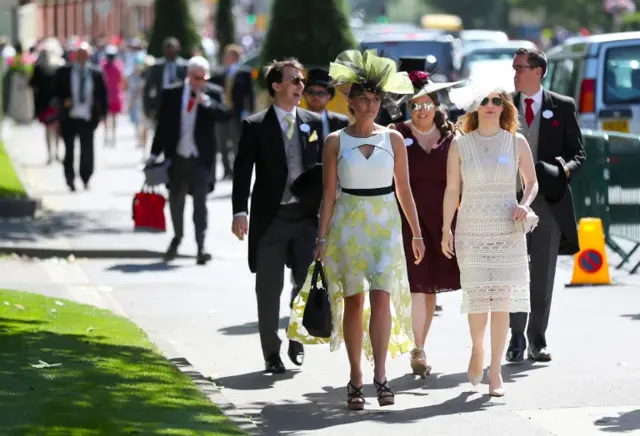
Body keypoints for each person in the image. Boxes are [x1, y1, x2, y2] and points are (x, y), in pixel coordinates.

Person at [287, 49, 424, 410]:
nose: (371, 105)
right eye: (364, 99)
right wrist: (320, 237)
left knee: (382, 296)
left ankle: (381, 375)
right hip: (348, 224)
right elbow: (329, 195)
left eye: (376, 99)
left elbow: (404, 189)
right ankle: (355, 377)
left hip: (385, 223)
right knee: (353, 301)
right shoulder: (335, 141)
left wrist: (417, 232)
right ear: (351, 102)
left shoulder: (393, 138)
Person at [444, 79, 538, 397]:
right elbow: (452, 190)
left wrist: (524, 205)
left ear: (504, 106)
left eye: (496, 100)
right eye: (484, 100)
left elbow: (531, 182)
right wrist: (446, 228)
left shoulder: (516, 143)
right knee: (477, 298)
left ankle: (495, 371)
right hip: (470, 228)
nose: (490, 105)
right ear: (474, 104)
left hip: (507, 229)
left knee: (501, 301)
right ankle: (477, 349)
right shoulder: (460, 144)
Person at [231, 58, 324, 374]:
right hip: (270, 219)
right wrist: (239, 212)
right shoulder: (255, 126)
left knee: (304, 283)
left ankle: (296, 336)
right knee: (268, 289)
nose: (301, 86)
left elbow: (323, 169)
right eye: (295, 80)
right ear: (276, 85)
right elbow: (242, 173)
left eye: (302, 80)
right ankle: (271, 353)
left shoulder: (313, 122)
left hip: (305, 217)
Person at [507, 48, 585, 363]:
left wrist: (563, 170)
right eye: (513, 68)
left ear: (538, 71)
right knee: (514, 271)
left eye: (520, 68)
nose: (515, 73)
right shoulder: (503, 106)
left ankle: (537, 339)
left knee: (542, 272)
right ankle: (515, 336)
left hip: (548, 202)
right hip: (510, 202)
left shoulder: (562, 107)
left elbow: (579, 153)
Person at [389, 70, 461, 377]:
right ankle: (417, 349)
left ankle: (419, 345)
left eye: (427, 103)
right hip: (406, 221)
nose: (421, 110)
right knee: (416, 286)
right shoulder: (395, 132)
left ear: (437, 105)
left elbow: (460, 185)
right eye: (415, 104)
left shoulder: (452, 138)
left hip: (443, 221)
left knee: (429, 288)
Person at [148, 56, 230, 265]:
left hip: (201, 160)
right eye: (196, 77)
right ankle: (177, 237)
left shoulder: (213, 93)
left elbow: (225, 115)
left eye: (203, 78)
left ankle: (201, 245)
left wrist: (208, 104)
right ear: (188, 75)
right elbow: (163, 126)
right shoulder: (172, 93)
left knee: (200, 204)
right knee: (176, 201)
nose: (200, 82)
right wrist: (153, 154)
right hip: (177, 158)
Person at [52, 41, 108, 192]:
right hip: (69, 116)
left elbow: (103, 96)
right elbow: (56, 92)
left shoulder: (96, 73)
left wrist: (102, 114)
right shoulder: (65, 72)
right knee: (69, 149)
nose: (82, 57)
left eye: (85, 54)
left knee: (87, 150)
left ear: (89, 56)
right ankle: (69, 178)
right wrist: (64, 101)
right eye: (80, 54)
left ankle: (85, 177)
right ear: (75, 56)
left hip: (88, 117)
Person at [210, 44, 255, 180]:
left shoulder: (245, 73)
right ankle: (226, 170)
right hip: (222, 113)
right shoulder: (221, 74)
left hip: (237, 113)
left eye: (228, 55)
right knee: (222, 142)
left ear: (234, 57)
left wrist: (248, 112)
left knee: (237, 143)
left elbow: (250, 95)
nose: (225, 58)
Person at [30, 38, 65, 164]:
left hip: (48, 102)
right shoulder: (43, 68)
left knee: (51, 128)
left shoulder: (55, 67)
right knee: (53, 128)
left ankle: (53, 153)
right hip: (49, 102)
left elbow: (33, 86)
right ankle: (53, 153)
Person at [143, 37, 187, 124]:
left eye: (173, 48)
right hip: (160, 106)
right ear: (164, 50)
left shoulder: (185, 66)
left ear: (178, 49)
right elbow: (148, 87)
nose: (170, 52)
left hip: (179, 107)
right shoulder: (157, 67)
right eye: (168, 48)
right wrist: (147, 108)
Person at [302, 68, 350, 136]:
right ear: (304, 94)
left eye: (321, 93)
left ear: (329, 96)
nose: (315, 97)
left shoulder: (342, 123)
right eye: (310, 92)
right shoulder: (295, 121)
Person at [101, 44, 125, 147]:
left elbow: (121, 80)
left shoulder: (118, 65)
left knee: (113, 117)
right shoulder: (103, 66)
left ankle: (113, 137)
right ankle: (107, 137)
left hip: (115, 95)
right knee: (106, 118)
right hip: (107, 95)